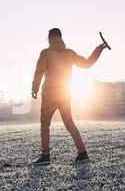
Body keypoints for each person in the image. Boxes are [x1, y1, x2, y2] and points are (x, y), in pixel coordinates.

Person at [31, 28, 108, 165]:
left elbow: (39, 71)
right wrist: (98, 49)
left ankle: (45, 155)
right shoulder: (69, 53)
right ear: (61, 38)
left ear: (49, 38)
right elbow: (86, 63)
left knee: (45, 124)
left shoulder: (46, 53)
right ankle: (82, 152)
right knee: (69, 122)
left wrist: (35, 88)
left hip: (50, 94)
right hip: (65, 94)